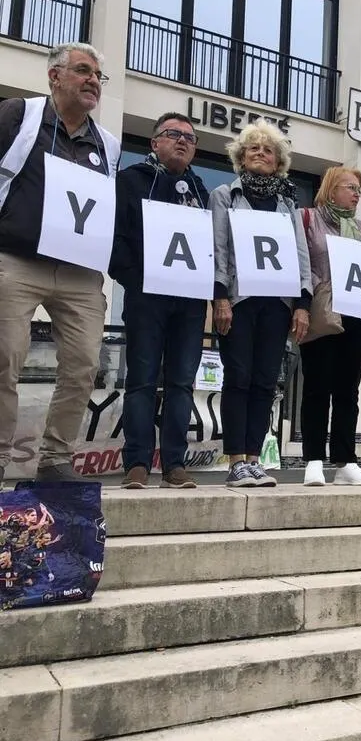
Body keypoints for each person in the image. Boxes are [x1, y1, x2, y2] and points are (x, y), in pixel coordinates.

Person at [0, 42, 121, 488]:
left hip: (79, 274)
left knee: (86, 364)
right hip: (17, 260)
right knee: (5, 356)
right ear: (55, 76)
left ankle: (55, 457)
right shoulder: (20, 115)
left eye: (98, 77)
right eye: (83, 71)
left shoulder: (106, 144)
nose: (92, 81)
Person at [110, 112, 209, 490]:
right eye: (173, 134)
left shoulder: (200, 190)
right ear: (154, 143)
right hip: (146, 299)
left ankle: (174, 464)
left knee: (182, 382)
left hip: (188, 304)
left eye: (190, 137)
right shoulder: (130, 181)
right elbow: (115, 238)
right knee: (142, 381)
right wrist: (136, 280)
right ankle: (136, 462)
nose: (182, 141)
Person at [210, 119, 312, 487]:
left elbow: (301, 255)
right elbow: (219, 247)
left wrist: (302, 303)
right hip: (240, 298)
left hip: (278, 302)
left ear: (278, 160)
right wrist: (219, 296)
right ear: (241, 156)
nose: (260, 154)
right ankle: (236, 459)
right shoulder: (225, 195)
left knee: (266, 381)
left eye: (268, 150)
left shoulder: (288, 205)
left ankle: (255, 457)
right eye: (253, 148)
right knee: (238, 377)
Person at [298, 166, 361, 487]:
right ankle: (312, 459)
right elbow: (302, 262)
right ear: (330, 188)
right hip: (323, 310)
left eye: (359, 190)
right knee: (317, 386)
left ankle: (345, 460)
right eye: (350, 187)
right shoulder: (308, 219)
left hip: (357, 312)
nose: (356, 194)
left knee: (348, 390)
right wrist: (303, 303)